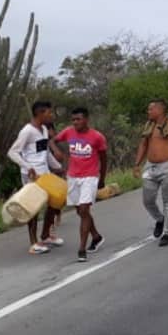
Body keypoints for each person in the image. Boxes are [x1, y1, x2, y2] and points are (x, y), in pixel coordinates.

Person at [7, 100, 63, 254]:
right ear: (40, 113)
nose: (51, 115)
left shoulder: (44, 129)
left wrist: (57, 167)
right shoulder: (27, 131)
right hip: (32, 176)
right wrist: (27, 167)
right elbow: (12, 152)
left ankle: (46, 235)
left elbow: (44, 152)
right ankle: (34, 243)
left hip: (45, 173)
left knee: (55, 202)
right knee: (33, 208)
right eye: (49, 113)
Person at [52, 108, 107, 262]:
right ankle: (96, 236)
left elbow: (104, 158)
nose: (75, 122)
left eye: (78, 119)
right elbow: (53, 140)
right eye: (73, 120)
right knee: (81, 212)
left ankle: (82, 249)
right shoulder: (68, 132)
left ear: (86, 119)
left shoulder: (97, 137)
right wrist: (56, 151)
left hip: (90, 177)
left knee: (84, 209)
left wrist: (102, 178)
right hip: (73, 177)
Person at [134, 99, 168, 247]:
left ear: (159, 110)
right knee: (147, 200)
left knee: (167, 201)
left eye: (150, 109)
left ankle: (167, 232)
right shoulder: (149, 126)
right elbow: (143, 145)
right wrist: (137, 164)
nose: (148, 112)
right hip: (150, 166)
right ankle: (160, 219)